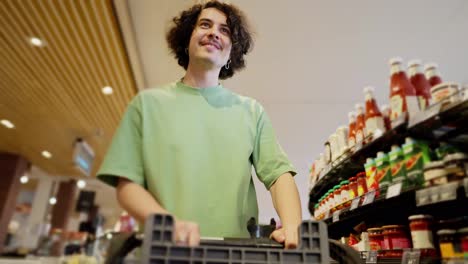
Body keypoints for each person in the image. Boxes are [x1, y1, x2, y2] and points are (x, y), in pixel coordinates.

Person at [97, 0, 302, 249]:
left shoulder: (251, 112)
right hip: (164, 251)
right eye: (205, 25)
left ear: (231, 53)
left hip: (234, 254)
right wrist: (167, 223)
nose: (214, 32)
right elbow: (127, 184)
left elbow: (278, 174)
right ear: (187, 40)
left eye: (225, 30)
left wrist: (292, 224)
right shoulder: (147, 105)